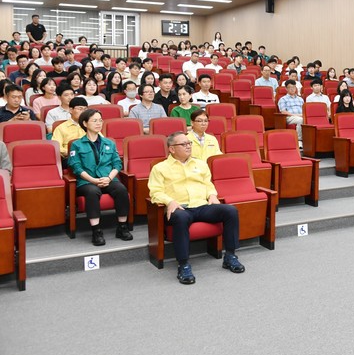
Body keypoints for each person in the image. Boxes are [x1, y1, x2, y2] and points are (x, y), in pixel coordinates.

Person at [148, 131, 245, 284]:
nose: (188, 146)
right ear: (172, 149)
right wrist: (169, 201)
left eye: (189, 143)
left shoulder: (200, 164)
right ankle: (184, 264)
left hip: (202, 206)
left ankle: (230, 256)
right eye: (184, 144)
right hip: (180, 208)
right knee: (181, 218)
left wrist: (212, 195)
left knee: (230, 211)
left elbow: (208, 184)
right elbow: (155, 192)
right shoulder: (160, 168)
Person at [68, 108, 133, 246]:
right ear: (85, 123)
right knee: (93, 191)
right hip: (87, 181)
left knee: (121, 189)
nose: (99, 123)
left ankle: (122, 227)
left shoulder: (109, 143)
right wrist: (93, 180)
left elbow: (117, 164)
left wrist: (109, 178)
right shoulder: (76, 145)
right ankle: (96, 231)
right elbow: (76, 167)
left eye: (100, 120)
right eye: (94, 121)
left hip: (107, 178)